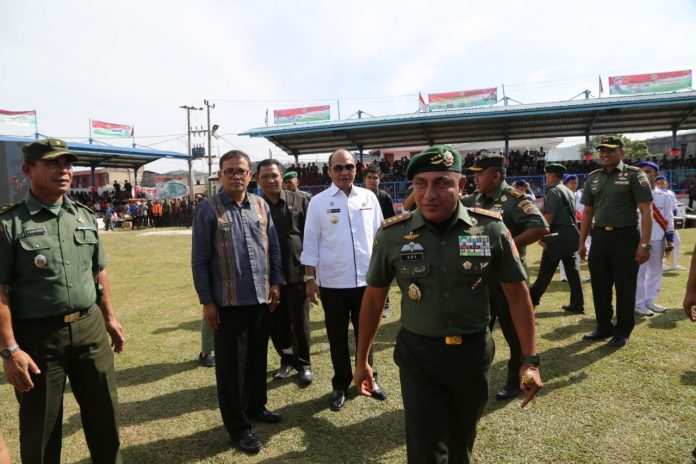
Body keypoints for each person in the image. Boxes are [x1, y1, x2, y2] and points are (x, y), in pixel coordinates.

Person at [354, 145, 542, 464]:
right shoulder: (392, 235)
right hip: (419, 357)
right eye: (420, 184)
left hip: (471, 355)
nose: (430, 194)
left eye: (442, 182)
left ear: (461, 186)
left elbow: (518, 295)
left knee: (461, 442)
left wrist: (530, 359)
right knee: (426, 449)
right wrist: (362, 361)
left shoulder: (490, 228)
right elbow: (373, 300)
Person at [0, 138, 125, 463]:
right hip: (38, 339)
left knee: (105, 418)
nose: (64, 170)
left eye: (67, 163)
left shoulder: (83, 216)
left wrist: (109, 319)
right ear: (28, 170)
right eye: (53, 163)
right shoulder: (10, 223)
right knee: (41, 430)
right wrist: (10, 350)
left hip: (91, 331)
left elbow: (99, 272)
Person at [191, 149, 283, 454]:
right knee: (231, 370)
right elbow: (200, 260)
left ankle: (257, 407)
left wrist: (276, 283)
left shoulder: (260, 206)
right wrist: (207, 302)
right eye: (229, 171)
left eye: (241, 170)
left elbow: (274, 248)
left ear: (250, 175)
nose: (235, 176)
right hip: (227, 304)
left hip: (260, 298)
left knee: (257, 360)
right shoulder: (209, 209)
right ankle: (238, 427)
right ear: (220, 175)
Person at [301, 148, 386, 411]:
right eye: (337, 168)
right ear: (329, 171)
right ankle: (340, 383)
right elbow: (311, 242)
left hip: (367, 282)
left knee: (367, 334)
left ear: (356, 169)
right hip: (334, 283)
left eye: (348, 166)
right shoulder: (318, 202)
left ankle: (369, 378)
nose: (343, 172)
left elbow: (381, 236)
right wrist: (309, 278)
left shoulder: (369, 197)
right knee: (337, 336)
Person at [461, 150, 548, 401]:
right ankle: (474, 377)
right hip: (479, 277)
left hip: (507, 277)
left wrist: (507, 245)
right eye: (473, 174)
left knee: (514, 333)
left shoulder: (514, 199)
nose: (475, 178)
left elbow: (540, 226)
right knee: (477, 331)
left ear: (496, 175)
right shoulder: (473, 199)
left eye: (480, 174)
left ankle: (514, 380)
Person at [579, 136, 653, 348]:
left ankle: (622, 330)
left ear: (622, 152)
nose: (605, 154)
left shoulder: (634, 175)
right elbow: (587, 212)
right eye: (602, 150)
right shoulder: (593, 177)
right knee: (599, 284)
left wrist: (645, 244)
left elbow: (646, 211)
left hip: (626, 237)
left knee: (625, 286)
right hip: (600, 237)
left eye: (610, 150)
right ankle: (603, 326)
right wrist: (581, 242)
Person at [257, 159, 313, 384]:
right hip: (268, 277)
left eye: (274, 175)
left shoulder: (300, 200)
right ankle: (287, 359)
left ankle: (304, 363)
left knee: (300, 322)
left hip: (297, 272)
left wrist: (312, 274)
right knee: (276, 323)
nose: (270, 180)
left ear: (282, 177)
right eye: (264, 176)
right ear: (258, 180)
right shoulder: (255, 205)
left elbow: (311, 238)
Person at [528, 164, 584, 313]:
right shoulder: (568, 190)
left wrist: (542, 236)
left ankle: (532, 298)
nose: (546, 178)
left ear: (552, 176)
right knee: (572, 271)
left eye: (547, 175)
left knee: (546, 271)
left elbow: (549, 216)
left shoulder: (553, 191)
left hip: (556, 234)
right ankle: (577, 304)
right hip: (569, 233)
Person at [634, 162, 673, 316]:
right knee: (639, 272)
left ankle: (650, 300)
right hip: (638, 239)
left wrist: (670, 237)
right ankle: (638, 303)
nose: (644, 174)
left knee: (656, 272)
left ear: (656, 174)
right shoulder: (632, 193)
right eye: (641, 171)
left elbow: (668, 217)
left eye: (648, 171)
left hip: (658, 238)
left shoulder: (665, 195)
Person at [363, 164, 396, 317]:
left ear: (380, 180)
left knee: (383, 274)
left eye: (375, 178)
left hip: (381, 243)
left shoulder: (384, 197)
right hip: (363, 243)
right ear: (364, 179)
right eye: (369, 177)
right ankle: (362, 305)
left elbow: (391, 221)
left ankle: (385, 305)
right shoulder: (358, 197)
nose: (372, 180)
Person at [656, 176, 686, 271]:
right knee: (658, 244)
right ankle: (661, 264)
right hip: (657, 223)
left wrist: (675, 219)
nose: (661, 185)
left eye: (663, 183)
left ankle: (673, 264)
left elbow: (674, 208)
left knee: (676, 242)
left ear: (667, 184)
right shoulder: (653, 193)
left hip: (669, 222)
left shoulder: (671, 193)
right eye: (658, 183)